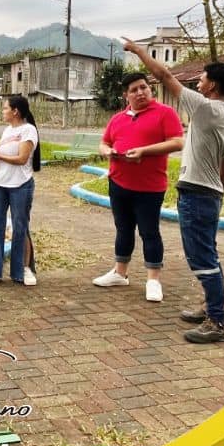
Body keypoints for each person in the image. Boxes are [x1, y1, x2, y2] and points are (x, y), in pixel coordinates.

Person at [124, 40, 224, 343]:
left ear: (212, 85)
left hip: (198, 195)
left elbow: (164, 76)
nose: (197, 82)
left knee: (202, 259)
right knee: (208, 254)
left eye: (202, 78)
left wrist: (138, 51)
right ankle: (210, 307)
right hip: (209, 194)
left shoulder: (205, 108)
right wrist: (220, 193)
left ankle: (217, 322)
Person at [92, 72, 184, 302]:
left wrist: (144, 151)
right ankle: (119, 273)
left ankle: (153, 280)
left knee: (149, 231)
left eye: (144, 87)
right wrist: (107, 151)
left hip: (150, 187)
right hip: (118, 182)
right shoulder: (117, 119)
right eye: (134, 90)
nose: (140, 92)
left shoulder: (165, 113)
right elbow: (104, 142)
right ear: (126, 95)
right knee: (123, 228)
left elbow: (177, 142)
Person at [0, 95, 40, 287]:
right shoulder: (7, 130)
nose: (3, 111)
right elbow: (5, 157)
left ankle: (24, 269)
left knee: (20, 226)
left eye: (5, 108)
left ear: (15, 111)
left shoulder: (28, 130)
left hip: (21, 185)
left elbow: (22, 158)